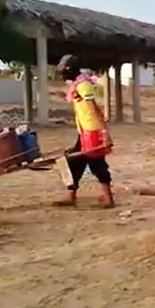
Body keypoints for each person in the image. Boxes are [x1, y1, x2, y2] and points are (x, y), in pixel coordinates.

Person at [53, 54, 115, 208]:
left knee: (97, 164)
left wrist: (104, 131)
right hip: (84, 131)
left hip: (92, 130)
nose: (63, 74)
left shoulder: (83, 85)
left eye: (64, 71)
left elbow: (94, 108)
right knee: (75, 162)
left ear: (71, 70)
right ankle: (71, 195)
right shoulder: (77, 85)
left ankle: (108, 199)